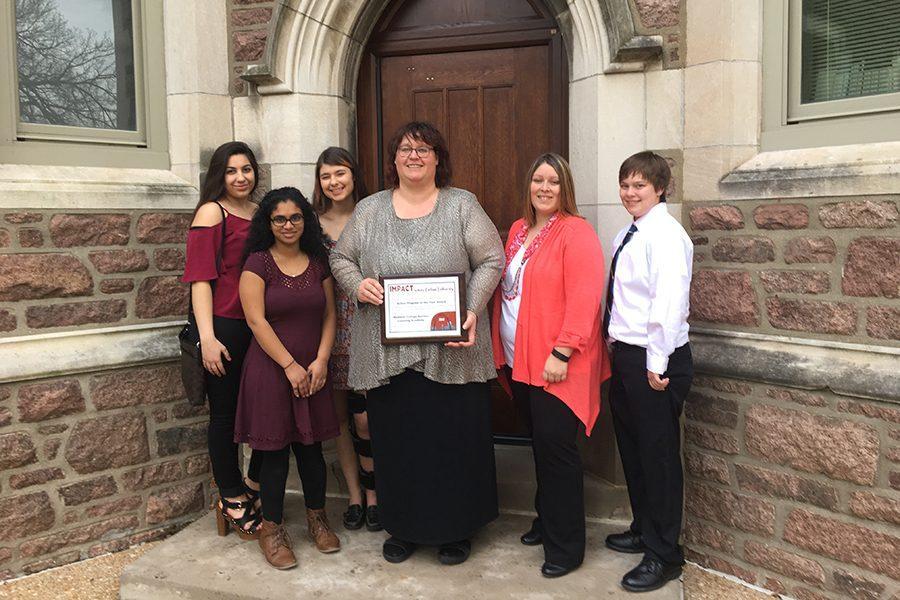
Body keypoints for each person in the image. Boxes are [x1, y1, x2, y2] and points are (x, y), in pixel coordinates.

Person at [330, 121, 504, 566]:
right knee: (399, 443)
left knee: (452, 442)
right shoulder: (369, 210)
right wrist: (357, 285)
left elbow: (491, 259)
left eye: (424, 149)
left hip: (450, 354)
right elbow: (340, 257)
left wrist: (470, 310)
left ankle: (456, 528)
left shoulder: (461, 204)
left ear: (437, 158)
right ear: (393, 160)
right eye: (405, 149)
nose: (414, 156)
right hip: (389, 355)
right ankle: (403, 525)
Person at [490, 153, 611, 578]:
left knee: (558, 453)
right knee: (541, 445)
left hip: (558, 364)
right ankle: (547, 520)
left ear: (565, 189)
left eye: (553, 182)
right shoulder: (520, 230)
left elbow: (585, 296)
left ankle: (566, 547)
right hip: (521, 363)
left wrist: (562, 352)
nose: (544, 188)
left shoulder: (575, 232)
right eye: (537, 180)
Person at [234, 187, 342, 569]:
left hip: (313, 370)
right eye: (279, 218)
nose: (288, 224)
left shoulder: (317, 261)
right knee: (275, 453)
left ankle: (318, 518)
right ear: (268, 222)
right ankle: (272, 530)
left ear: (305, 220)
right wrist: (289, 365)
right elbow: (255, 320)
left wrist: (322, 359)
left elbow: (330, 315)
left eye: (295, 217)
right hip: (270, 371)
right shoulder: (257, 263)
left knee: (312, 451)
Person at [604, 151, 693, 592]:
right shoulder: (630, 233)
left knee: (658, 459)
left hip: (654, 360)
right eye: (625, 184)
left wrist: (656, 364)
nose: (629, 193)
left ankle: (664, 554)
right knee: (634, 451)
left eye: (639, 185)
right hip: (626, 355)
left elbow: (669, 305)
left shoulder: (667, 237)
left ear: (660, 188)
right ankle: (643, 527)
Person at [182, 141, 263, 540]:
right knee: (225, 417)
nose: (241, 177)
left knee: (265, 413)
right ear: (219, 175)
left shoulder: (261, 212)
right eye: (231, 171)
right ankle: (230, 498)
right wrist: (208, 338)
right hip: (224, 327)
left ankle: (252, 488)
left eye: (246, 169)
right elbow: (200, 278)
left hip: (260, 326)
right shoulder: (212, 212)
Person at [312, 147, 380, 532]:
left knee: (369, 418)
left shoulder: (374, 213)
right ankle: (355, 496)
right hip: (329, 327)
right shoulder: (311, 223)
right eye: (326, 176)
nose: (334, 182)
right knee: (340, 420)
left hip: (371, 324)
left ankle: (377, 495)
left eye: (340, 173)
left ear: (354, 174)